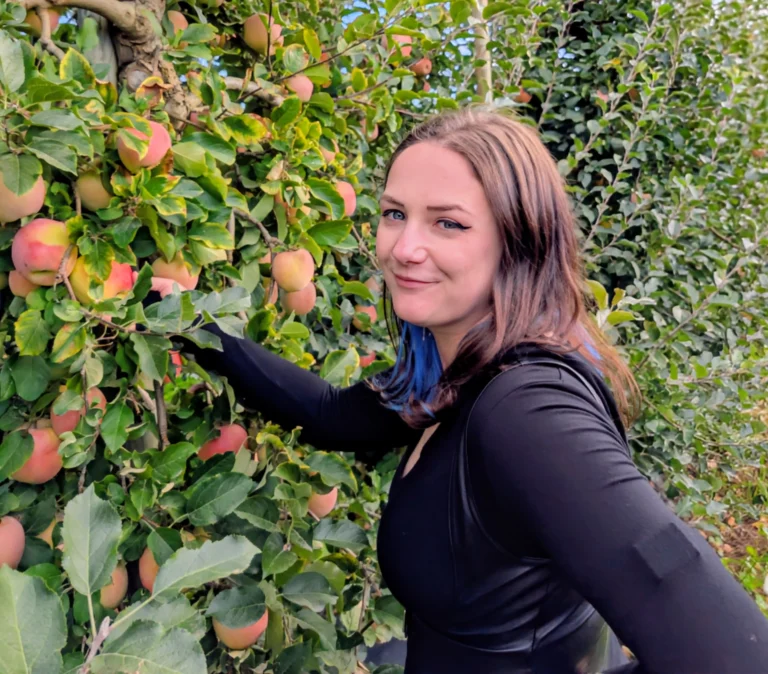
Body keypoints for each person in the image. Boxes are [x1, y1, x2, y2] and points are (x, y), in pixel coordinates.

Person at [145, 106, 768, 673]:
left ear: (518, 242)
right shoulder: (457, 376)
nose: (403, 248)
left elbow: (730, 655)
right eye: (395, 214)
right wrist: (192, 328)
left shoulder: (526, 411)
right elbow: (337, 416)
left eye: (448, 223)